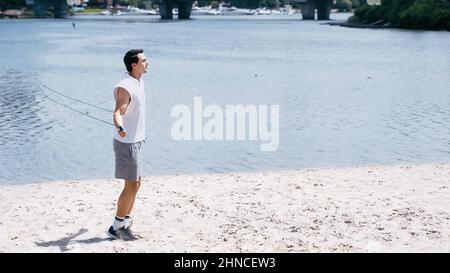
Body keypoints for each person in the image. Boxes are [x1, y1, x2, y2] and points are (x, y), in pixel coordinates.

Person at [107, 49, 149, 240]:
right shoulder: (125, 87)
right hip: (127, 143)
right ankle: (115, 227)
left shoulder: (138, 81)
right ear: (134, 65)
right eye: (144, 60)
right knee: (131, 185)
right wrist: (120, 126)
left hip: (137, 141)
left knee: (136, 184)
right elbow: (117, 112)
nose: (148, 63)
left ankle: (125, 222)